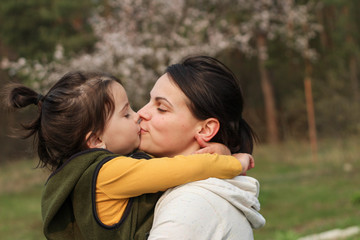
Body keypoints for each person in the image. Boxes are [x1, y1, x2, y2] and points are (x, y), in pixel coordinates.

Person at [3, 71, 254, 240]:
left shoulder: (91, 171)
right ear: (96, 140)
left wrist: (218, 150)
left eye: (160, 106)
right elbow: (180, 170)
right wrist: (231, 161)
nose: (139, 115)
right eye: (126, 114)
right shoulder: (109, 172)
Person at [138, 55, 266, 239]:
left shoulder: (190, 205)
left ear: (206, 129)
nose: (141, 113)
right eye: (149, 101)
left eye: (161, 108)